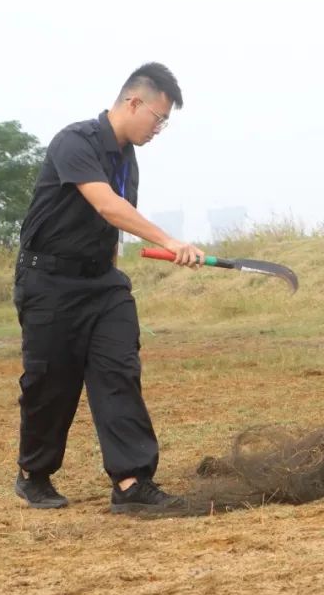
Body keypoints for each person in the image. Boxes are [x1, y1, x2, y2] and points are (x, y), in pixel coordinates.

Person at [13, 63, 205, 512]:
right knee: (51, 383)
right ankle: (33, 474)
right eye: (158, 117)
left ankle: (131, 483)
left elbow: (109, 229)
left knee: (118, 372)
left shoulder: (127, 160)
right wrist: (170, 240)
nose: (160, 128)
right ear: (133, 102)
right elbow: (106, 206)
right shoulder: (75, 141)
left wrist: (112, 274)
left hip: (102, 282)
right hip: (49, 281)